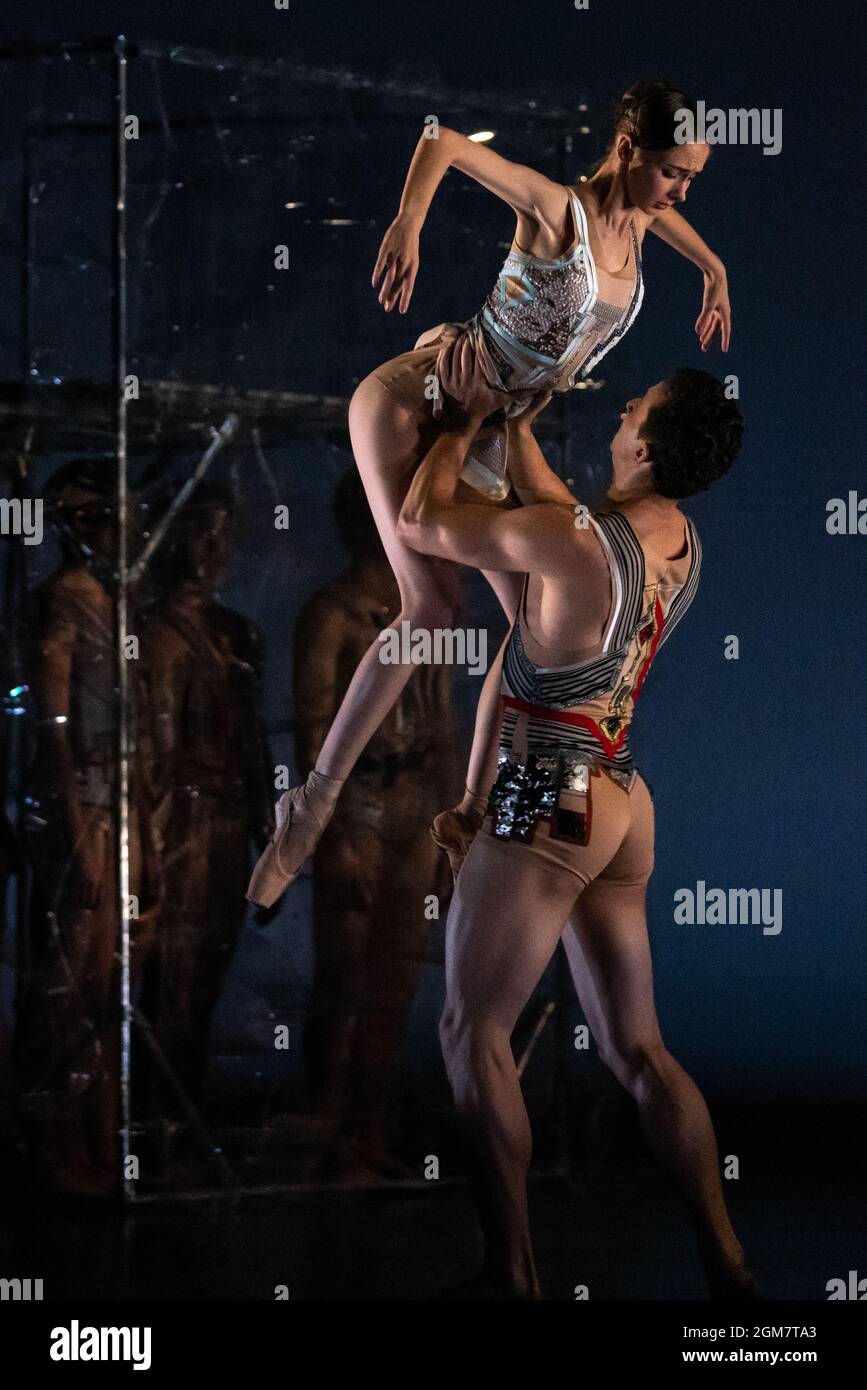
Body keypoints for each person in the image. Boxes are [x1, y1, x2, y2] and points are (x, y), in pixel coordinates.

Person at [247, 77, 732, 907]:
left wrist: (711, 266)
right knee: (428, 610)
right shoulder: (556, 211)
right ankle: (313, 801)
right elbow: (441, 141)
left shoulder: (644, 221)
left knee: (533, 629)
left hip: (486, 420)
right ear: (625, 151)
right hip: (416, 401)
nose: (681, 191)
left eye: (692, 177)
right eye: (672, 173)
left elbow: (669, 221)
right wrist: (409, 223)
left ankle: (472, 808)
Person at [393, 334, 760, 1301]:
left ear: (645, 444)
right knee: (637, 1049)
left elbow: (421, 518)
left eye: (636, 407)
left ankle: (510, 1273)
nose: (624, 412)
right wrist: (516, 427)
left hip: (549, 793)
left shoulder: (579, 542)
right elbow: (561, 514)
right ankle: (726, 1261)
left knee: (471, 1031)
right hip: (620, 801)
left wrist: (464, 419)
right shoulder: (673, 537)